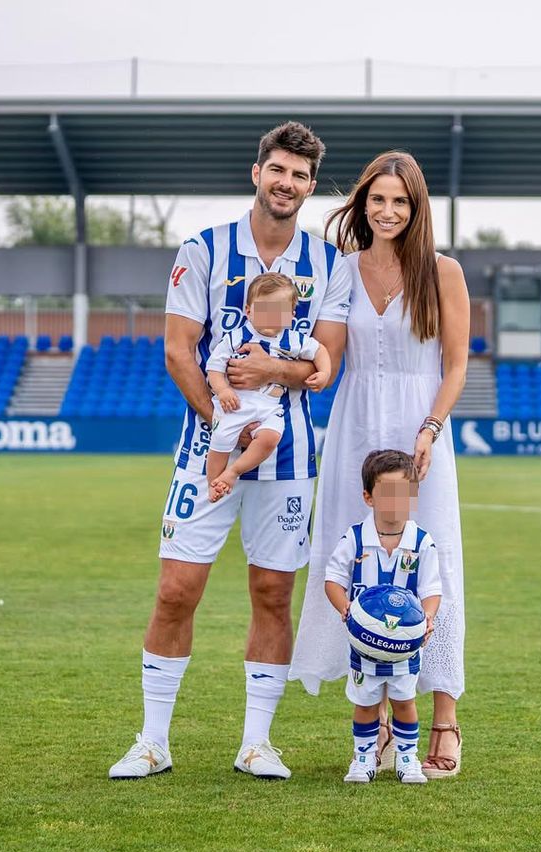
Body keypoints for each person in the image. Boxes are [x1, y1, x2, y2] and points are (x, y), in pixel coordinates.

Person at [109, 121, 350, 781]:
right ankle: (153, 740)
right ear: (257, 172)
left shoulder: (328, 263)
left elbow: (323, 365)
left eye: (300, 176)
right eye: (279, 170)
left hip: (291, 455)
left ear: (308, 186)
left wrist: (272, 373)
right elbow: (177, 349)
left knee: (273, 592)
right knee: (176, 589)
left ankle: (256, 743)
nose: (288, 183)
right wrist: (224, 419)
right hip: (205, 447)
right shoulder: (205, 250)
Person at [290, 151, 470, 778]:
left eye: (400, 201)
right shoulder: (343, 269)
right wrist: (298, 367)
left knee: (432, 560)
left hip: (423, 432)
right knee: (360, 563)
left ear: (416, 208)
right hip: (355, 431)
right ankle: (388, 729)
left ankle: (443, 720)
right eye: (377, 200)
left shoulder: (443, 272)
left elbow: (455, 367)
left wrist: (430, 428)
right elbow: (331, 354)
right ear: (362, 203)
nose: (387, 212)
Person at [324, 450, 442, 785]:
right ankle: (363, 759)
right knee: (365, 705)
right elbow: (332, 578)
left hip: (406, 644)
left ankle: (408, 759)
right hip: (365, 647)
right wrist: (344, 607)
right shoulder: (356, 538)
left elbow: (432, 588)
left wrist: (428, 618)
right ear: (368, 497)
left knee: (405, 702)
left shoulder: (421, 542)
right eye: (386, 494)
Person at [205, 272, 331, 503]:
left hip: (270, 408)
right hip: (236, 405)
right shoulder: (236, 337)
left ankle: (233, 472)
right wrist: (223, 391)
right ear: (249, 310)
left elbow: (320, 351)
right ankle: (214, 482)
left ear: (291, 315)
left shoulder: (293, 340)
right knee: (221, 440)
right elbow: (214, 367)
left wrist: (324, 373)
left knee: (270, 437)